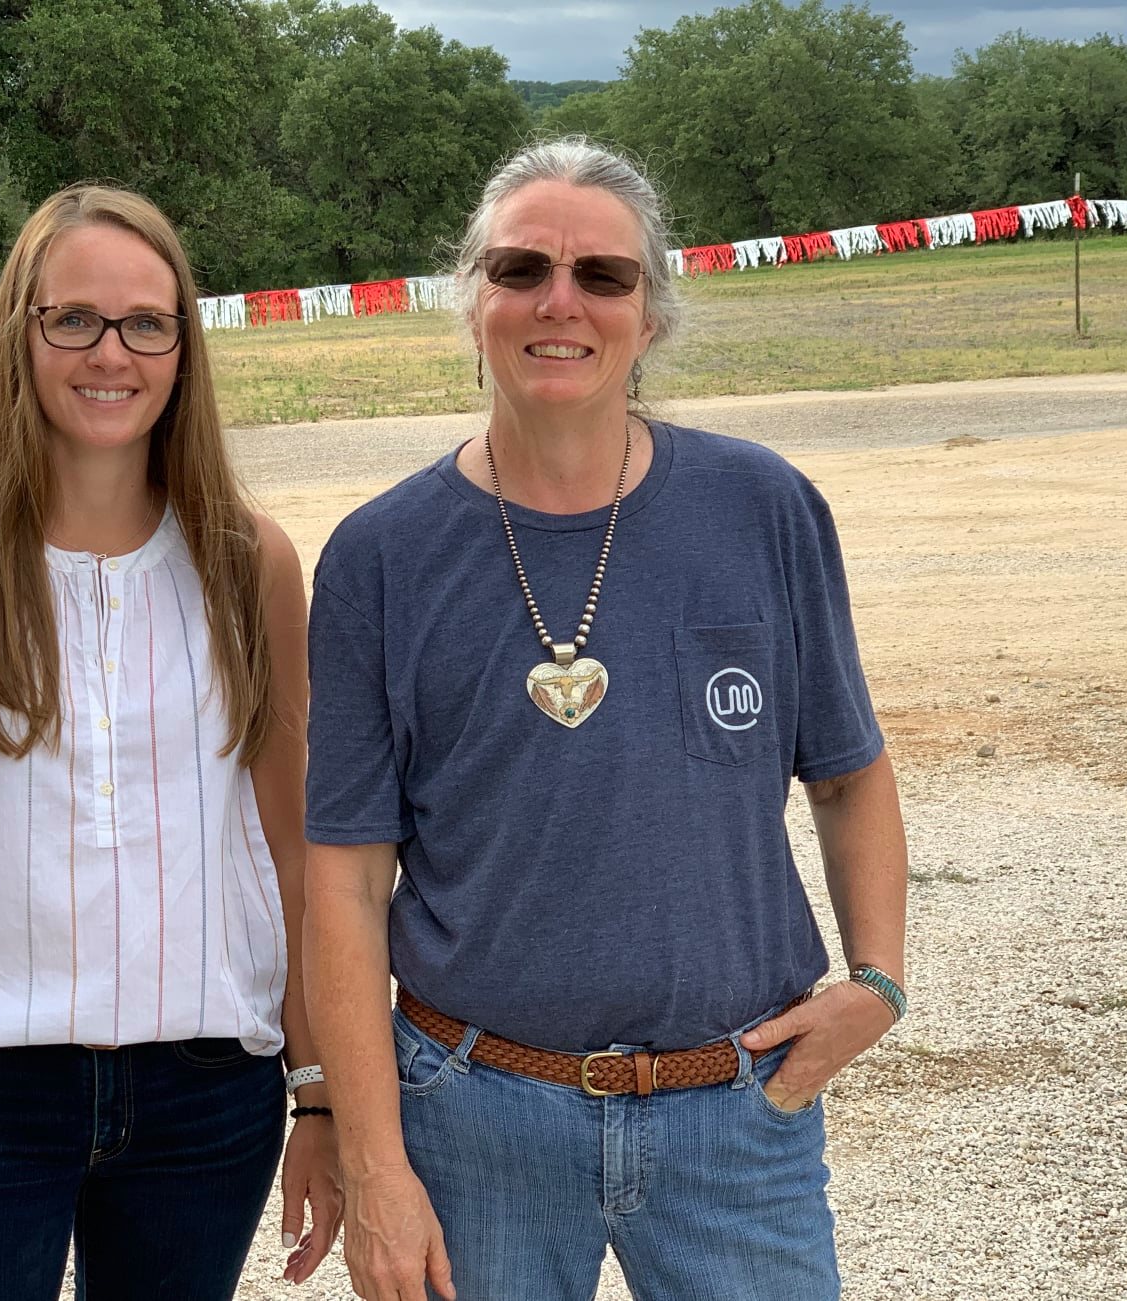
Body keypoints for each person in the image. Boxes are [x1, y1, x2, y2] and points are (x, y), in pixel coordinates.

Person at [303, 137, 909, 1301]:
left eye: (604, 276)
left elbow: (847, 771)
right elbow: (343, 877)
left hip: (738, 1113)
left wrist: (875, 982)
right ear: (472, 296)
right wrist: (377, 1165)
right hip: (475, 1116)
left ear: (652, 311)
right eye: (521, 267)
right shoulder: (381, 556)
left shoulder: (763, 506)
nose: (559, 302)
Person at [0, 184, 341, 1301]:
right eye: (75, 319)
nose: (112, 353)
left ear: (183, 345)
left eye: (147, 322)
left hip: (205, 1097)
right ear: (21, 332)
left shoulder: (249, 564)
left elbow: (292, 854)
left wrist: (319, 1095)